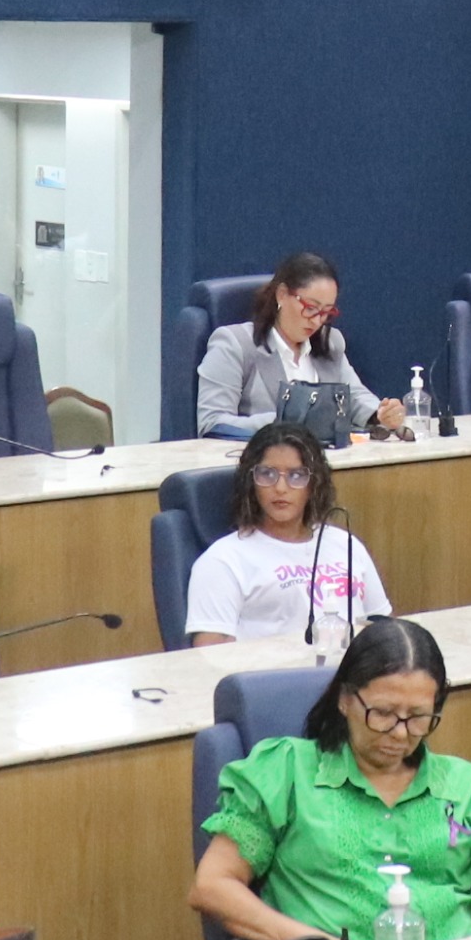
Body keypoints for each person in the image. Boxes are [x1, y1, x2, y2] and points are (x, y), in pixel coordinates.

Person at [190, 617, 471, 940]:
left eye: (418, 717)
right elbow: (213, 886)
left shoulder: (470, 789)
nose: (400, 733)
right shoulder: (287, 773)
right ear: (344, 699)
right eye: (382, 713)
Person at [186, 422, 390, 654]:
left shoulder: (345, 544)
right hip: (276, 675)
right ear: (251, 482)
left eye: (296, 475)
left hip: (354, 672)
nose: (281, 488)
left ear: (314, 483)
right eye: (267, 474)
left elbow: (383, 629)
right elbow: (209, 659)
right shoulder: (222, 561)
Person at [196, 251, 408, 439]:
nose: (317, 321)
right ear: (282, 295)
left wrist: (380, 414)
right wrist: (284, 423)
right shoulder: (235, 344)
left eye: (326, 312)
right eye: (310, 308)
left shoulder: (330, 342)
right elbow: (212, 422)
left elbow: (355, 397)